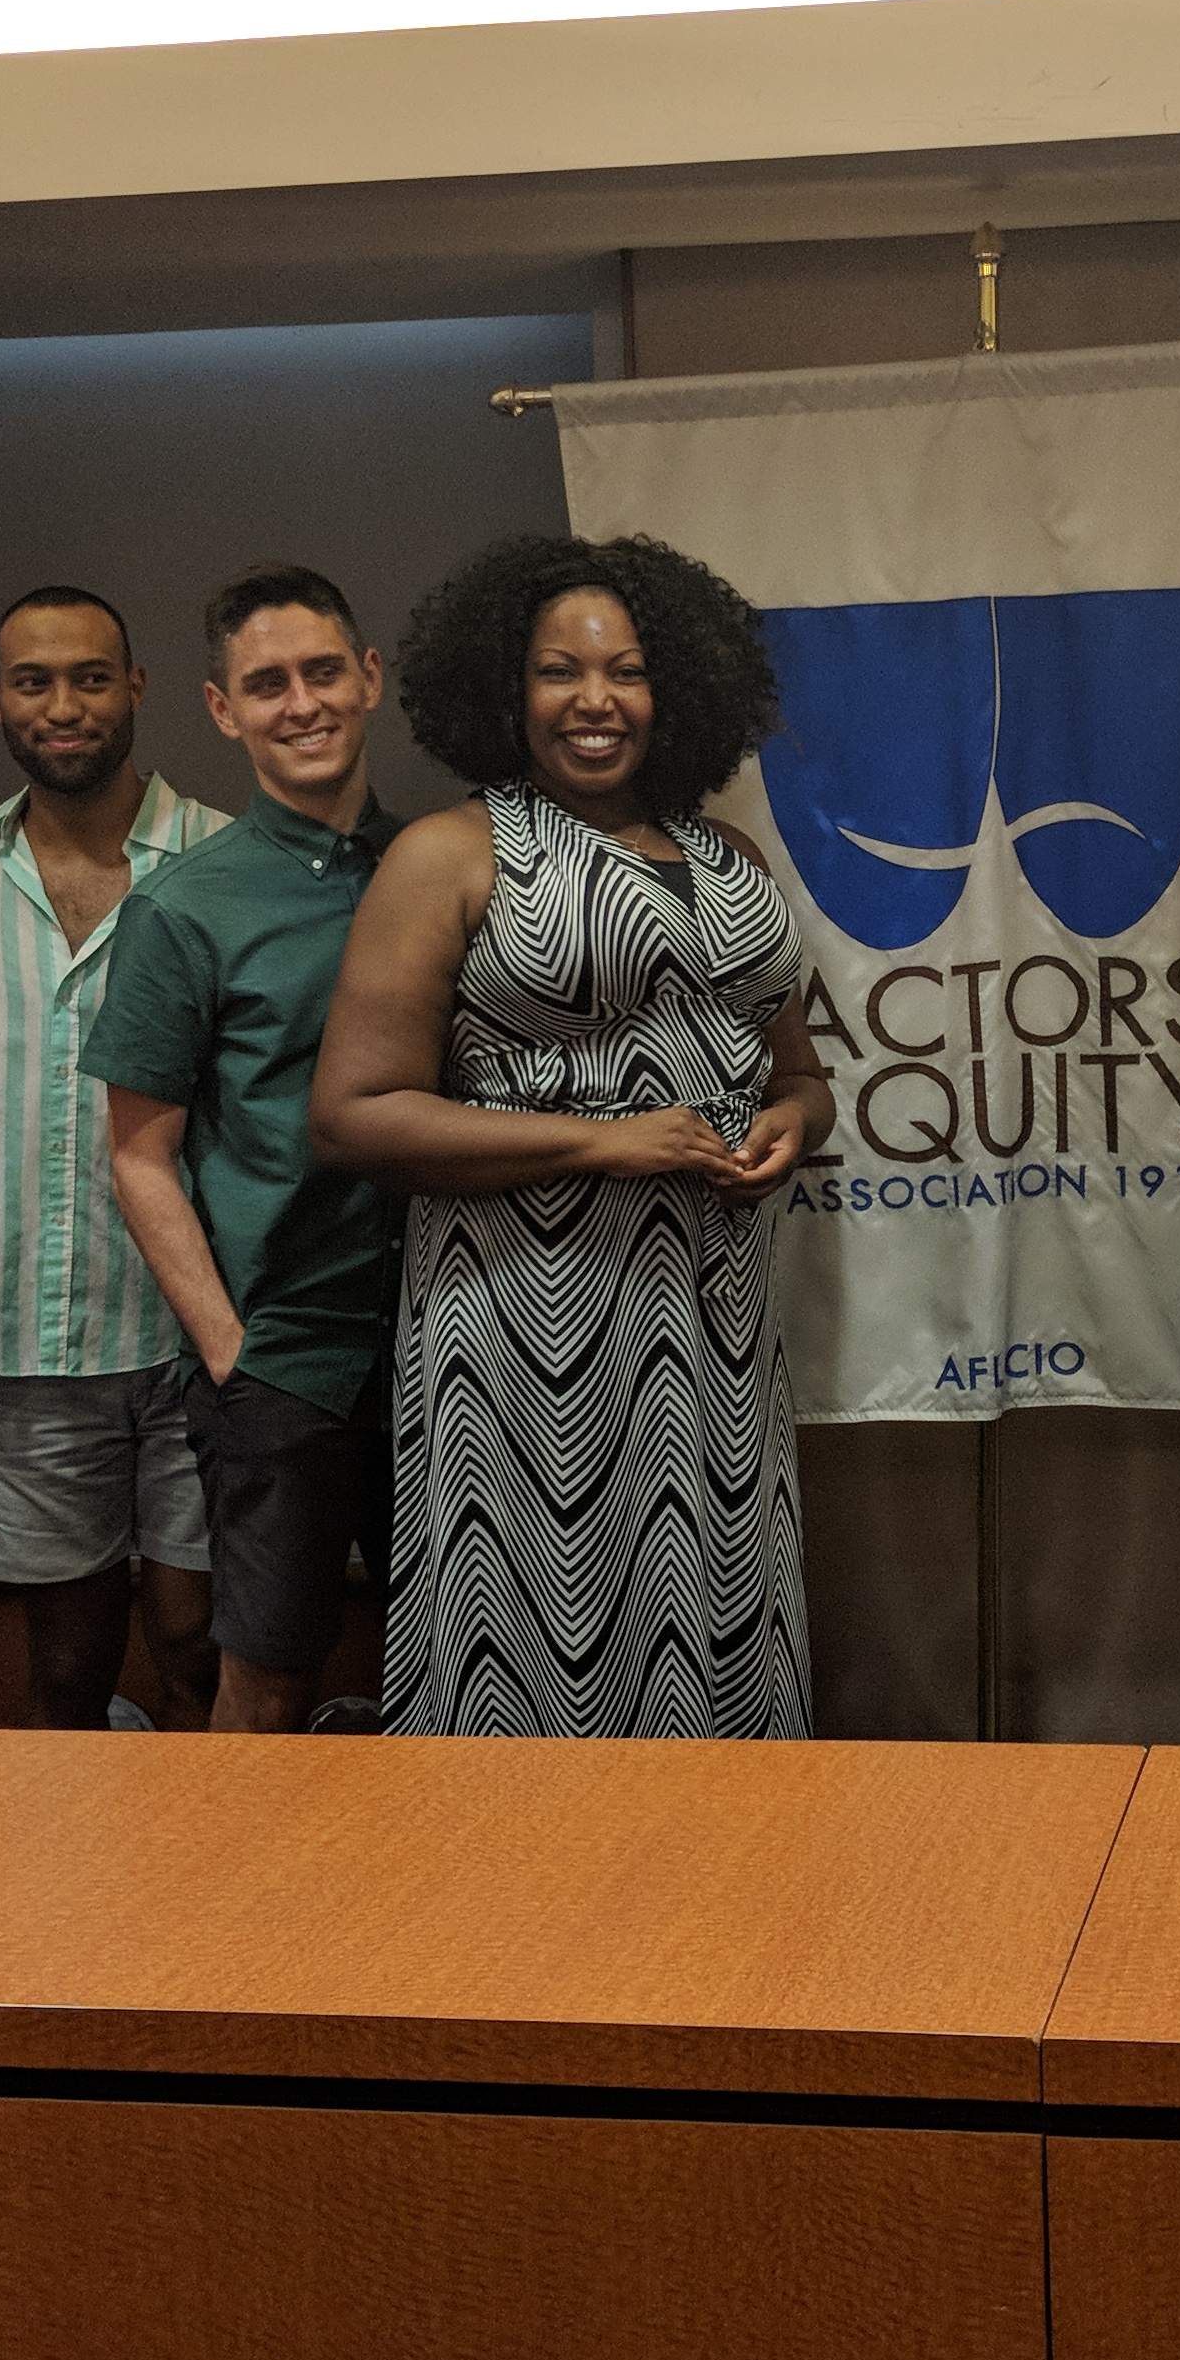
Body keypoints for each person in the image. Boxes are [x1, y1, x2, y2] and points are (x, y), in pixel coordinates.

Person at [309, 531, 832, 1740]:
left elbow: (799, 1074)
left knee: (713, 1631)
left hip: (712, 1330)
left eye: (629, 669)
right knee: (539, 1658)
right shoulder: (452, 854)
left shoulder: (731, 857)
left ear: (678, 690)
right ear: (507, 689)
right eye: (560, 670)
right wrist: (603, 1145)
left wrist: (787, 1132)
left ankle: (712, 1923)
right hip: (525, 1339)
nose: (596, 699)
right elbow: (352, 1116)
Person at [0, 585, 229, 1731]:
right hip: (30, 1347)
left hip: (197, 1335)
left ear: (136, 689)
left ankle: (220, 1891)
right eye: (34, 681)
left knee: (201, 1653)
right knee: (63, 1671)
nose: (64, 704)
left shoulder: (220, 859)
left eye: (92, 676)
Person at [87, 567, 399, 1734]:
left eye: (323, 671)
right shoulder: (185, 908)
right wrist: (231, 1350)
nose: (300, 702)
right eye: (265, 685)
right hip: (284, 1366)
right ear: (223, 711)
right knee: (266, 1679)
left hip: (452, 1353)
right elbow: (138, 1157)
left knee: (469, 1667)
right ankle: (243, 1918)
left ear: (371, 680)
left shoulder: (445, 870)